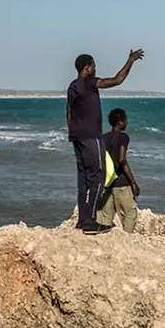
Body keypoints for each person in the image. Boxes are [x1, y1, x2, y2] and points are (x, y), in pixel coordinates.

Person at [67, 49, 144, 234]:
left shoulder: (73, 86)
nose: (95, 67)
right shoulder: (89, 83)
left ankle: (83, 219)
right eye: (94, 65)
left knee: (83, 179)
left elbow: (69, 110)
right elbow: (117, 80)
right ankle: (91, 222)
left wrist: (73, 131)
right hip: (91, 137)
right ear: (87, 68)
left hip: (77, 138)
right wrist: (130, 60)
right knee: (98, 176)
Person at [96, 108, 140, 233]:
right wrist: (133, 182)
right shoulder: (123, 137)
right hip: (121, 183)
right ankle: (127, 241)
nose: (126, 123)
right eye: (125, 120)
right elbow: (122, 159)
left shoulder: (103, 138)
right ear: (120, 123)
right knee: (129, 214)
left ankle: (105, 241)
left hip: (107, 183)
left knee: (105, 217)